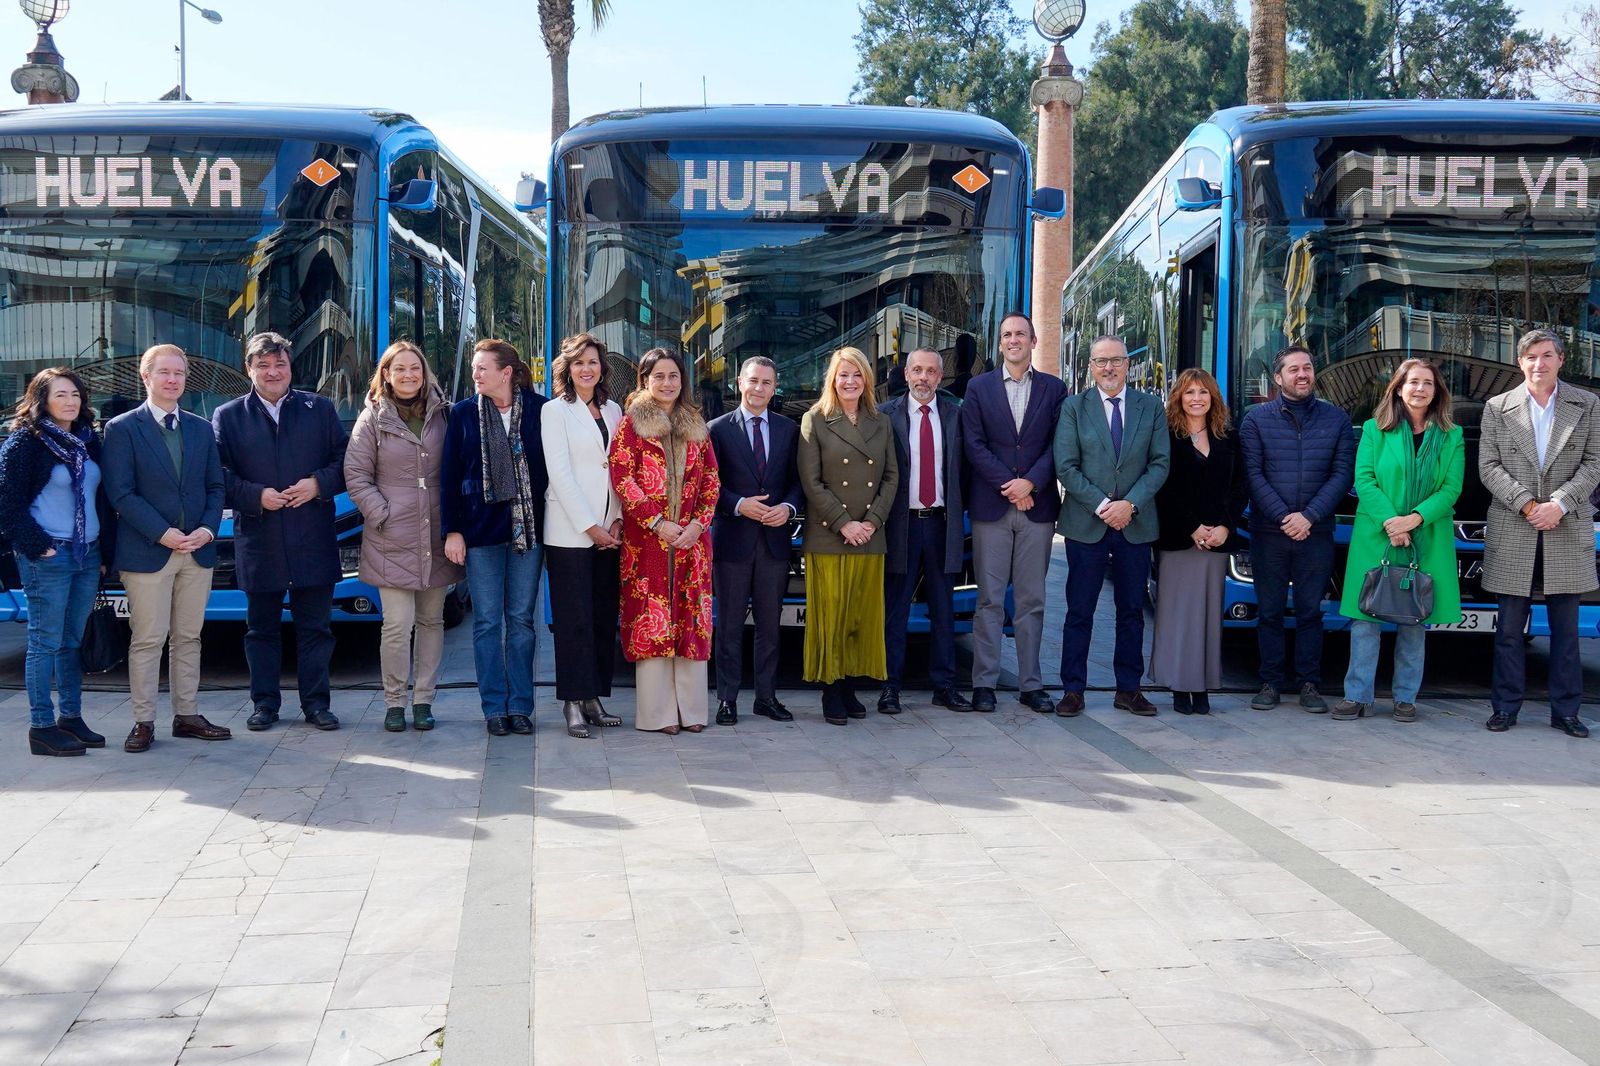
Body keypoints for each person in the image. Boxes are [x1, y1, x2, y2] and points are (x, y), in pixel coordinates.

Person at [214, 332, 348, 734]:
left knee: (317, 629)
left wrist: (317, 484)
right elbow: (218, 475)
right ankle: (265, 705)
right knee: (260, 630)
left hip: (312, 537)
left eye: (280, 364)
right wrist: (257, 496)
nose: (273, 372)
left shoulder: (319, 409)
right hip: (260, 538)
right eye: (263, 365)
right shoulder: (228, 416)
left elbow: (346, 461)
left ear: (291, 368)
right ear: (249, 370)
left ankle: (317, 705)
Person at [103, 344, 230, 752]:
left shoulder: (199, 427)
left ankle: (187, 715)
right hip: (147, 552)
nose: (173, 379)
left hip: (198, 550)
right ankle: (143, 721)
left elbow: (215, 486)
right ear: (146, 377)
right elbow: (121, 493)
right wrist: (163, 533)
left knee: (189, 637)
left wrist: (208, 529)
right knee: (148, 638)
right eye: (164, 373)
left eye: (179, 372)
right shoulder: (122, 428)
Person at [1479, 330, 1600, 737]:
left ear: (1561, 360)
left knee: (1565, 632)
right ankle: (1505, 707)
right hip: (1516, 525)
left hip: (1566, 526)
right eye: (1530, 357)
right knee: (1509, 631)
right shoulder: (1498, 407)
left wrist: (1560, 504)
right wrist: (1530, 505)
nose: (1538, 364)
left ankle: (1566, 712)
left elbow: (1595, 463)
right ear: (1520, 362)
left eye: (1546, 355)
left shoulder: (1588, 404)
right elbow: (1489, 466)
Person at [1332, 360, 1464, 724]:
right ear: (1398, 387)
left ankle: (1405, 698)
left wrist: (1414, 518)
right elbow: (1365, 479)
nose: (1420, 389)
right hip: (1377, 533)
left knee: (1414, 620)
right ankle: (1356, 696)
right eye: (1413, 382)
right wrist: (1393, 522)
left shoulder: (1451, 435)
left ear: (1437, 392)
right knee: (1365, 619)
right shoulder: (1376, 430)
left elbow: (1451, 488)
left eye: (1428, 383)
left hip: (1427, 534)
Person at [344, 340, 463, 732]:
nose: (409, 375)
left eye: (415, 368)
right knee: (397, 625)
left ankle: (424, 701)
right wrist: (383, 514)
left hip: (436, 536)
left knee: (432, 621)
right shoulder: (372, 419)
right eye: (400, 369)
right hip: (390, 538)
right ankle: (394, 701)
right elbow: (356, 476)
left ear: (424, 372)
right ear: (386, 375)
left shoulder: (444, 415)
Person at [1053, 337, 1171, 717]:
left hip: (1135, 524)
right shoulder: (1074, 407)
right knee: (1079, 611)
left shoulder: (1151, 407)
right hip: (1086, 523)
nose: (1109, 368)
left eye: (1116, 361)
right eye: (1101, 361)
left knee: (1132, 610)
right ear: (1090, 366)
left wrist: (1130, 505)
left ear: (1127, 365)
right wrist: (1105, 506)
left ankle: (1129, 689)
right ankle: (1073, 690)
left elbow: (1160, 464)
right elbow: (1066, 466)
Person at [0, 368, 114, 756]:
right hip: (48, 554)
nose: (70, 401)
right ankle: (41, 726)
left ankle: (71, 718)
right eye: (61, 395)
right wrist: (38, 546)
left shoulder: (87, 442)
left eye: (76, 395)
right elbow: (7, 505)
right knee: (44, 641)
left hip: (87, 553)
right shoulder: (24, 444)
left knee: (71, 641)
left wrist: (104, 554)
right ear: (42, 400)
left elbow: (101, 500)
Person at [1238, 344, 1355, 713]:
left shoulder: (1336, 420)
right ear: (1278, 378)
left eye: (1307, 367)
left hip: (1316, 533)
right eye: (1293, 369)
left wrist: (1309, 516)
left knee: (1310, 612)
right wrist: (1284, 518)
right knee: (1270, 611)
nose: (1302, 374)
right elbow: (1252, 475)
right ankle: (1270, 682)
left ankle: (1309, 684)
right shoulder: (1255, 420)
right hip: (1268, 534)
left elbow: (1342, 475)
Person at [442, 339, 549, 737]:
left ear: (506, 372)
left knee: (521, 621)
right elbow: (449, 477)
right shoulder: (463, 413)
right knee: (487, 622)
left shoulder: (540, 411)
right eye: (474, 368)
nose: (476, 375)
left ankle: (520, 706)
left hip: (529, 532)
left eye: (483, 368)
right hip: (480, 533)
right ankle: (493, 709)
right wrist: (452, 530)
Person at [959, 312, 1066, 712]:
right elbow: (974, 444)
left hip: (1037, 509)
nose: (1014, 340)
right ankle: (983, 684)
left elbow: (1059, 444)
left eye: (1021, 333)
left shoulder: (1055, 389)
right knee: (988, 600)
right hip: (992, 506)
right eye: (1007, 335)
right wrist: (1010, 484)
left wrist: (1031, 483)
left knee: (1031, 600)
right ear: (999, 344)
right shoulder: (978, 388)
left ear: (1034, 341)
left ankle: (1030, 685)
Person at [610, 348, 719, 734]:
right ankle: (657, 716)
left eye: (673, 376)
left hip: (692, 543)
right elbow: (623, 478)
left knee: (690, 621)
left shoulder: (696, 424)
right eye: (659, 376)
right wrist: (657, 522)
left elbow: (711, 481)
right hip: (648, 542)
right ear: (645, 380)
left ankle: (692, 713)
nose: (667, 383)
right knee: (652, 623)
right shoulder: (630, 425)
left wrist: (696, 525)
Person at [798, 346, 899, 725]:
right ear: (833, 380)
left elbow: (891, 477)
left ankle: (850, 687)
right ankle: (831, 690)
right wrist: (845, 523)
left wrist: (871, 522)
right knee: (832, 616)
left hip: (869, 535)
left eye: (857, 375)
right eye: (844, 375)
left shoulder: (881, 421)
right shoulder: (815, 419)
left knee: (859, 616)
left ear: (867, 381)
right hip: (830, 535)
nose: (850, 382)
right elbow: (812, 482)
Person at [707, 355, 802, 726]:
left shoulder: (789, 430)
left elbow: (798, 482)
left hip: (775, 542)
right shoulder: (716, 429)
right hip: (732, 540)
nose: (759, 388)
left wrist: (789, 508)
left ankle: (766, 697)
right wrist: (737, 504)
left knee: (770, 624)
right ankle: (727, 699)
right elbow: (709, 485)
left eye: (766, 382)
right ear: (739, 384)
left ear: (775, 388)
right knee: (729, 625)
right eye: (753, 381)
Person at [879, 347, 971, 713]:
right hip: (899, 527)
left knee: (943, 609)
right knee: (895, 610)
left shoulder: (956, 415)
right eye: (916, 370)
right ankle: (890, 686)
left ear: (940, 376)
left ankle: (944, 686)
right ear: (905, 375)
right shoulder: (886, 416)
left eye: (930, 371)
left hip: (941, 525)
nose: (923, 377)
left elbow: (967, 469)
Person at [1149, 369, 1246, 715]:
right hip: (1179, 538)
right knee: (1176, 615)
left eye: (1203, 392)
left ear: (1213, 398)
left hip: (1216, 540)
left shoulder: (1228, 437)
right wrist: (1193, 527)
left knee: (1207, 615)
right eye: (1189, 392)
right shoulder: (1167, 435)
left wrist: (1224, 527)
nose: (1196, 399)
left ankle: (1202, 686)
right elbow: (1163, 487)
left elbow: (1239, 487)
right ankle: (1178, 686)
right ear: (1179, 397)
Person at [542, 332, 624, 739]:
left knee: (601, 617)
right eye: (578, 363)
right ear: (567, 370)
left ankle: (594, 698)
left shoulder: (614, 410)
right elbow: (560, 475)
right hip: (570, 533)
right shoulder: (554, 411)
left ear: (602, 368)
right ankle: (572, 702)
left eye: (592, 362)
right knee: (573, 620)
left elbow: (621, 471)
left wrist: (616, 522)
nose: (586, 369)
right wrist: (590, 527)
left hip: (610, 531)